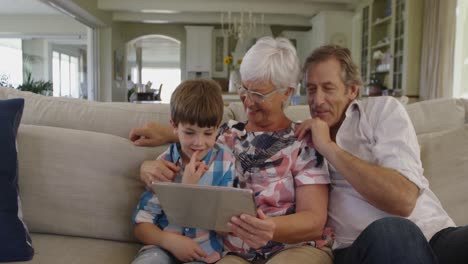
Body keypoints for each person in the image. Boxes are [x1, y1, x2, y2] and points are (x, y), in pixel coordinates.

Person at [130, 37, 334, 264]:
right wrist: (147, 166)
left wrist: (268, 228)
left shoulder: (303, 140)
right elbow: (189, 135)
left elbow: (315, 220)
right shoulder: (226, 133)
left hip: (292, 247)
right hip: (234, 253)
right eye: (244, 88)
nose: (247, 101)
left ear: (287, 92)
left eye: (259, 94)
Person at [294, 44, 468, 264]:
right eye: (311, 89)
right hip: (363, 247)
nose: (317, 101)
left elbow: (403, 200)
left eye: (328, 88)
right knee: (393, 232)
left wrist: (329, 147)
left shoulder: (382, 112)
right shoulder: (300, 138)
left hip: (434, 236)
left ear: (352, 91)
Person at [131, 79, 235, 264]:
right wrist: (169, 241)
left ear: (218, 128)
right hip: (163, 247)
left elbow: (223, 224)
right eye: (189, 132)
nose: (199, 143)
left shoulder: (224, 161)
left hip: (203, 252)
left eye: (208, 133)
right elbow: (141, 225)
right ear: (174, 126)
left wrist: (191, 191)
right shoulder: (163, 165)